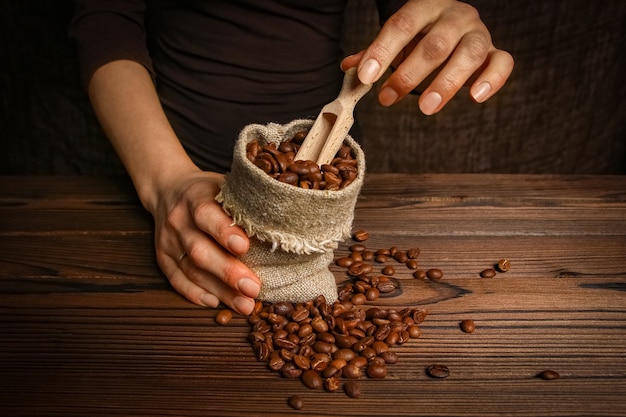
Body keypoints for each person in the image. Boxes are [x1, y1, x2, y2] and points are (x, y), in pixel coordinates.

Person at [69, 0, 514, 315]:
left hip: (319, 195)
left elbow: (414, 29)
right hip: (167, 160)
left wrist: (446, 36)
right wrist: (164, 181)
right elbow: (104, 19)